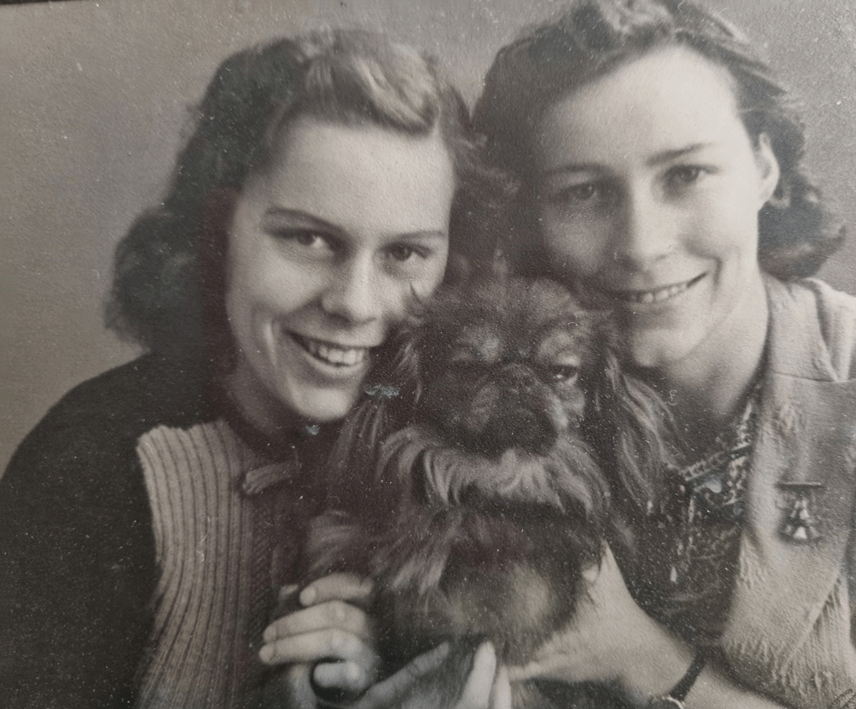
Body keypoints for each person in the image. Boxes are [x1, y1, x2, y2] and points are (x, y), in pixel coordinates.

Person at [0, 29, 507, 709]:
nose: (356, 303)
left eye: (405, 254)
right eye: (309, 238)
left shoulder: (457, 446)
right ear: (220, 232)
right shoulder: (95, 464)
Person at [473, 1, 856, 707]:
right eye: (584, 192)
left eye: (686, 175)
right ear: (531, 216)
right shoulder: (514, 401)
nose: (641, 243)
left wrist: (650, 660)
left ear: (763, 167)